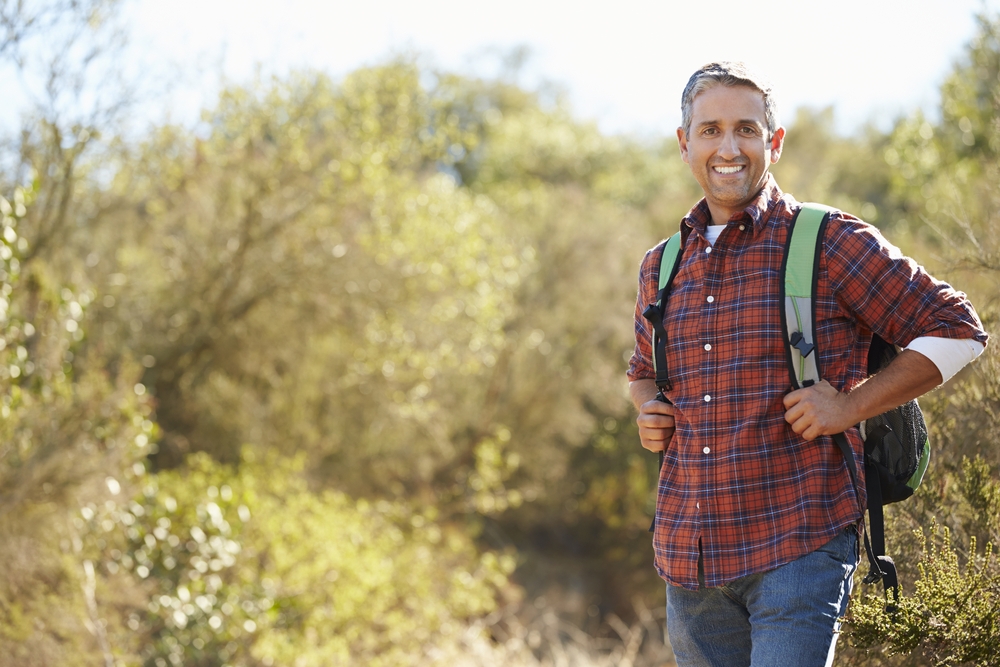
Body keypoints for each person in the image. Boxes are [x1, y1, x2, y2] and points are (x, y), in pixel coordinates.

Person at [627, 61, 988, 667]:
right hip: (689, 564)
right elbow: (642, 370)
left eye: (746, 129)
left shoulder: (828, 240)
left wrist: (847, 406)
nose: (728, 147)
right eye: (710, 130)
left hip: (798, 545)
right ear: (685, 142)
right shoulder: (660, 265)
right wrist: (647, 410)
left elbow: (958, 329)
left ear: (774, 141)